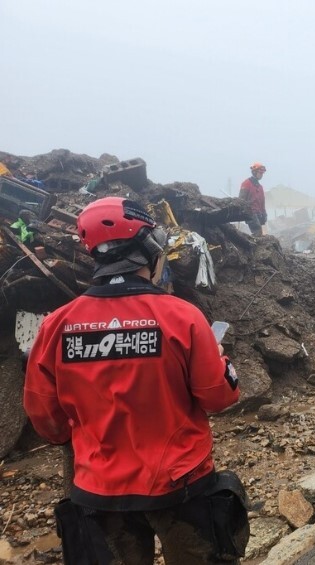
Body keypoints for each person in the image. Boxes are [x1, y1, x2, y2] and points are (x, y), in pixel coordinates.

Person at [23, 197, 247, 564]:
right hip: (181, 486)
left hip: (99, 490)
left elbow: (43, 415)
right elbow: (219, 397)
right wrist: (220, 361)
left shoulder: (56, 326)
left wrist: (86, 441)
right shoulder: (183, 318)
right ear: (150, 248)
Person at [239, 162, 268, 235]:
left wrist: (264, 213)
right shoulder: (246, 184)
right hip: (250, 212)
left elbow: (262, 202)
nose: (261, 175)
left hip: (259, 213)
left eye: (262, 173)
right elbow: (241, 199)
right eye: (260, 173)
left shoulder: (260, 187)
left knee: (260, 232)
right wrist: (243, 212)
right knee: (257, 231)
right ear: (254, 172)